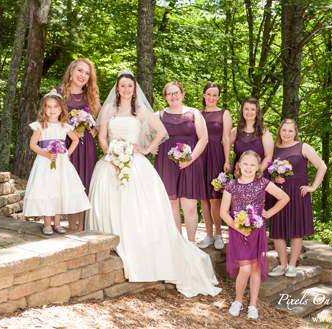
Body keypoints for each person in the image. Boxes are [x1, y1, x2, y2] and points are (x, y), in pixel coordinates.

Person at [86, 70, 222, 298]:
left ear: (135, 89)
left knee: (138, 207)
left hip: (136, 161)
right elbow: (101, 136)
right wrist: (112, 155)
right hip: (111, 162)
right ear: (117, 89)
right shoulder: (108, 109)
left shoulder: (141, 111)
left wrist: (147, 150)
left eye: (130, 86)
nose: (126, 90)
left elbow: (161, 132)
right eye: (123, 86)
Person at [220, 151, 289, 320]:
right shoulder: (231, 185)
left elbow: (284, 198)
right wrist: (238, 227)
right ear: (239, 165)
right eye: (245, 164)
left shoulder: (262, 183)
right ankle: (238, 301)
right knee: (244, 269)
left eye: (252, 165)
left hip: (256, 231)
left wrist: (269, 213)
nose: (248, 168)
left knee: (255, 268)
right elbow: (223, 212)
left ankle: (253, 304)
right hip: (238, 231)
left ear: (258, 167)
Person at [22, 91, 91, 235]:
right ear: (44, 109)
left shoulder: (64, 126)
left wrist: (67, 155)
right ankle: (47, 223)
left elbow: (75, 140)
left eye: (55, 106)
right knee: (48, 190)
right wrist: (47, 154)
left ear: (61, 109)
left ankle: (57, 222)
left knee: (59, 189)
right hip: (45, 162)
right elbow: (33, 145)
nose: (52, 110)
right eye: (48, 106)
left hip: (61, 164)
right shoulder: (40, 126)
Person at [266, 119, 327, 278]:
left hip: (298, 192)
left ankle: (292, 266)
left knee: (296, 230)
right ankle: (282, 265)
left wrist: (313, 187)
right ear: (280, 131)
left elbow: (322, 167)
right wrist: (274, 180)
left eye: (290, 131)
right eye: (284, 130)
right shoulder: (273, 149)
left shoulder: (303, 147)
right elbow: (268, 174)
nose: (286, 134)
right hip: (279, 192)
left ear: (295, 132)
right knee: (277, 229)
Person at [152, 81, 208, 242]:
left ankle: (191, 243)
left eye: (176, 92)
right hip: (165, 162)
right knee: (172, 205)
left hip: (190, 162)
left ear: (183, 94)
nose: (173, 96)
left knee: (190, 207)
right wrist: (151, 147)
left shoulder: (194, 113)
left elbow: (203, 139)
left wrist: (190, 159)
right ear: (165, 97)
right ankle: (178, 242)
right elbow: (143, 133)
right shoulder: (158, 115)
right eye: (169, 93)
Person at [52, 58, 101, 231]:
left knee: (84, 184)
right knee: (68, 184)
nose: (83, 75)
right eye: (80, 71)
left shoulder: (90, 97)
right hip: (63, 146)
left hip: (85, 146)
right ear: (71, 71)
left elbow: (102, 121)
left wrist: (91, 135)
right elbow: (47, 119)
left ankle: (83, 230)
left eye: (87, 73)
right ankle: (70, 228)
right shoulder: (57, 93)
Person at [197, 82, 232, 250]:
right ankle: (209, 236)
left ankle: (219, 235)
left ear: (218, 97)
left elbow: (226, 139)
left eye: (215, 95)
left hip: (216, 155)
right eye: (208, 94)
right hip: (200, 156)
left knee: (215, 198)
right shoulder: (197, 114)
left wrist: (227, 160)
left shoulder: (224, 114)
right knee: (203, 198)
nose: (211, 97)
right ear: (204, 95)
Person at [229, 97, 273, 178]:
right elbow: (224, 147)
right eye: (246, 109)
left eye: (253, 109)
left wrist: (256, 174)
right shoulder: (235, 131)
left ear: (257, 112)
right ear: (242, 111)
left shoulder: (264, 131)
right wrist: (227, 162)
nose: (249, 112)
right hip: (239, 176)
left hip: (258, 176)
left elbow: (268, 156)